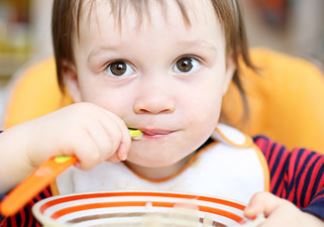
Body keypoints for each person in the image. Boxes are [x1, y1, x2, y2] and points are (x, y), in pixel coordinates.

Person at [0, 0, 323, 226]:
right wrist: (23, 147)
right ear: (74, 81)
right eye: (118, 67)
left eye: (186, 63)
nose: (154, 101)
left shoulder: (275, 171)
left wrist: (310, 221)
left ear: (226, 71)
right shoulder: (46, 181)